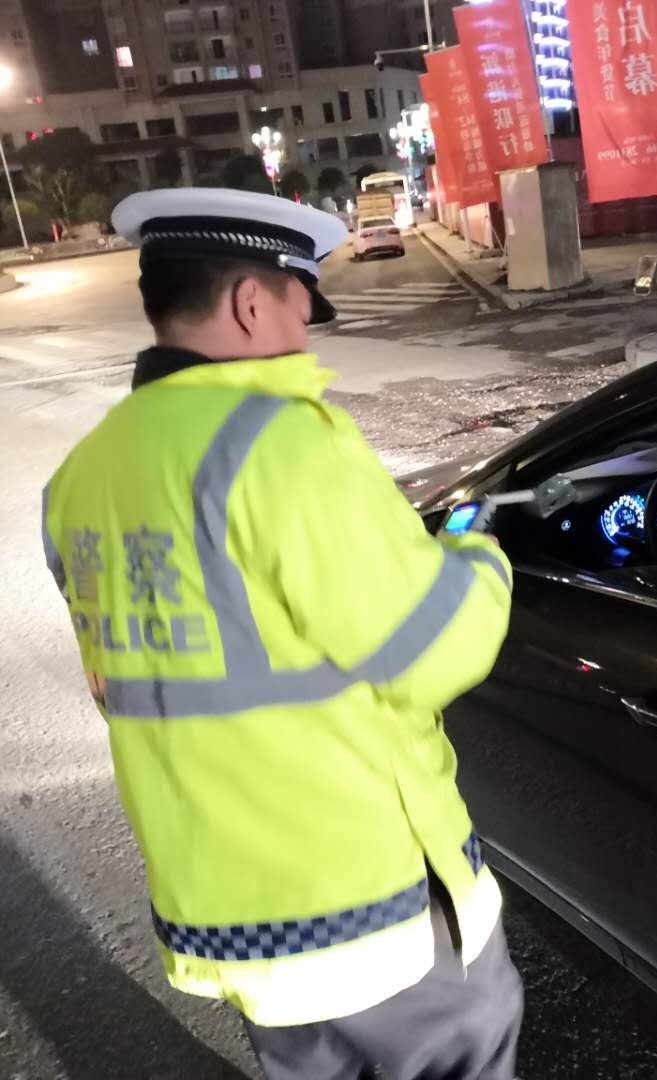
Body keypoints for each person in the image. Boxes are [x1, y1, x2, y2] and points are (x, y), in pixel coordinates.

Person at [41, 188, 522, 1080]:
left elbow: (142, 677)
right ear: (251, 303)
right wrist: (477, 559)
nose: (307, 335)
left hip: (239, 930)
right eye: (303, 308)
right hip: (371, 914)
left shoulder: (80, 477)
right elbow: (434, 650)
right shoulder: (282, 442)